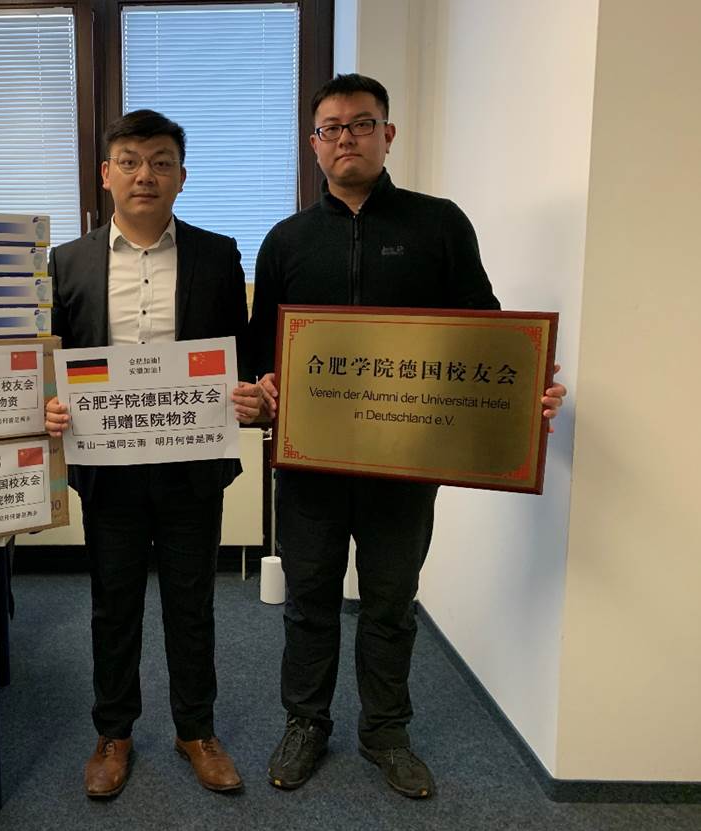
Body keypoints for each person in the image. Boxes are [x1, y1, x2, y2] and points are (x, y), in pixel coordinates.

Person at [247, 74, 568, 799]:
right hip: (310, 465)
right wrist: (262, 388)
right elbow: (261, 347)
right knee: (309, 599)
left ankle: (386, 732)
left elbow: (485, 331)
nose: (346, 138)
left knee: (391, 601)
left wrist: (525, 396)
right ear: (313, 144)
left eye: (361, 124)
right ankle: (305, 722)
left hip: (406, 460)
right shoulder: (286, 240)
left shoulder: (439, 224)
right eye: (331, 128)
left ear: (387, 135)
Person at [44, 109, 264, 798]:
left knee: (191, 603)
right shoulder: (67, 261)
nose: (146, 174)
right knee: (112, 604)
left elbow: (241, 354)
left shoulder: (217, 255)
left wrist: (248, 393)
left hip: (191, 464)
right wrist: (48, 407)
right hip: (106, 466)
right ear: (106, 174)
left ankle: (195, 729)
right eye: (131, 161)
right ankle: (113, 733)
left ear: (181, 176)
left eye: (161, 161)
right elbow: (48, 359)